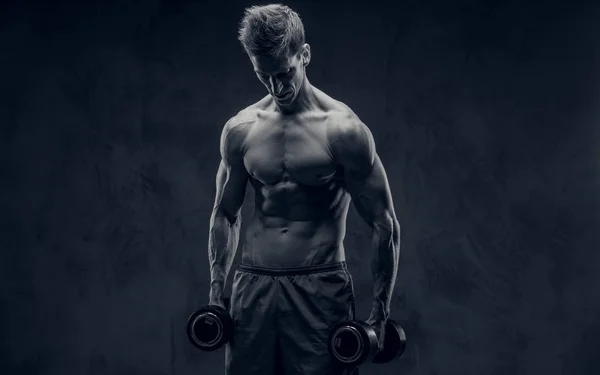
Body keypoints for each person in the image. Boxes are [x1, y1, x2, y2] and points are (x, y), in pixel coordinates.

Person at [207, 4, 401, 375]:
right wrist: (217, 293)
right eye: (264, 76)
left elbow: (384, 223)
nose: (277, 87)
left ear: (304, 55)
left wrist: (379, 313)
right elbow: (225, 214)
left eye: (284, 73)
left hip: (319, 289)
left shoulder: (344, 131)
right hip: (253, 288)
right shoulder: (241, 130)